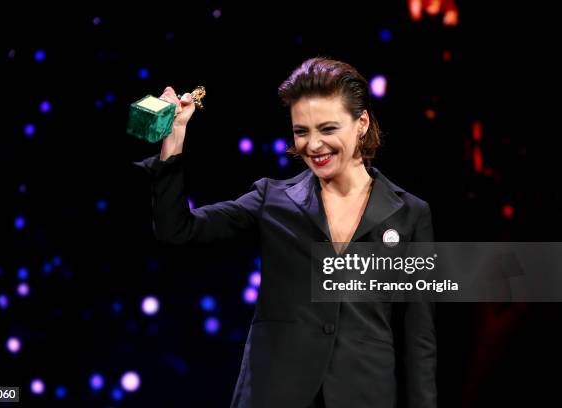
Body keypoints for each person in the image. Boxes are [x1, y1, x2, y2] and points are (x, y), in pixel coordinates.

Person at [135, 57, 437, 408]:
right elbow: (178, 231)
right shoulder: (272, 200)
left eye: (328, 129)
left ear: (362, 123)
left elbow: (419, 340)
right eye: (301, 131)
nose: (313, 145)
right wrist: (174, 139)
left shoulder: (410, 214)